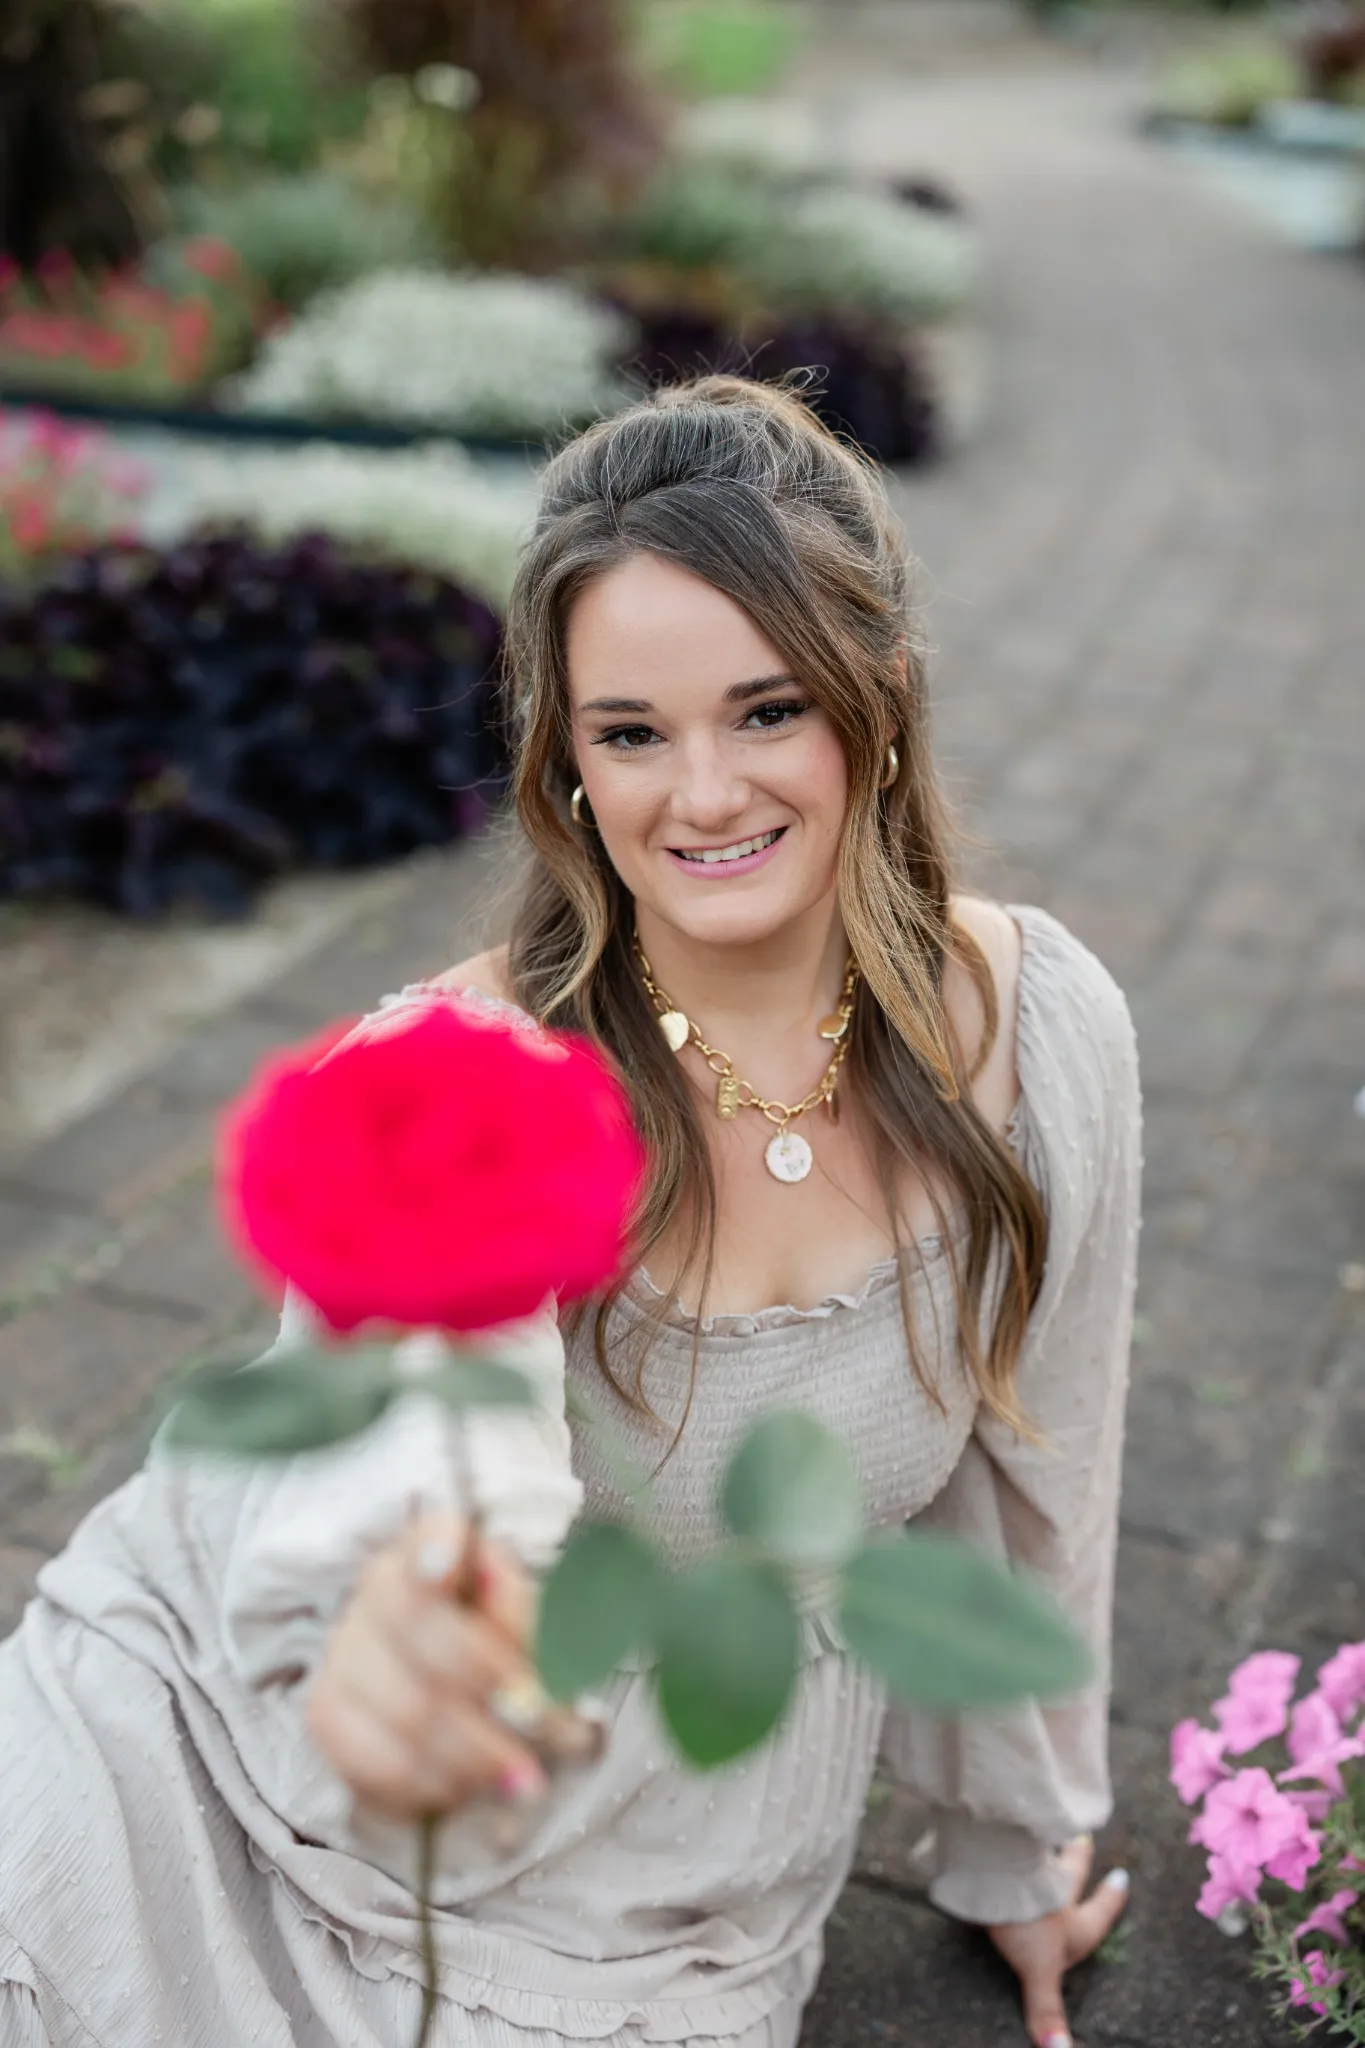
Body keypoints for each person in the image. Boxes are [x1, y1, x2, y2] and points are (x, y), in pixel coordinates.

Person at [0, 377, 1139, 2048]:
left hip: (649, 1899)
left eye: (768, 712)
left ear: (878, 699)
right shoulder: (464, 1076)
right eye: (631, 732)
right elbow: (372, 1493)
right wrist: (402, 1614)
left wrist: (1019, 1847)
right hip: (225, 1765)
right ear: (564, 756)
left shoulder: (1039, 1036)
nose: (702, 797)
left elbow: (1043, 1479)